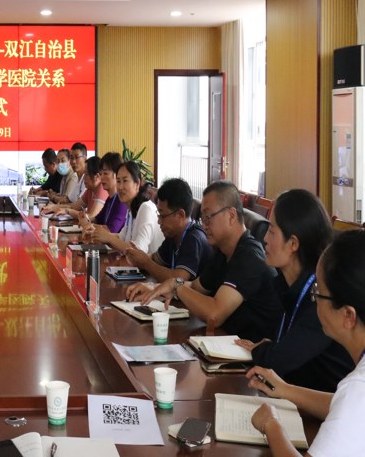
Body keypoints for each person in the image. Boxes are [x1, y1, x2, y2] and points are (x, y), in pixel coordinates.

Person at [247, 230, 365, 457]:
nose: (315, 300)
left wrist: (271, 425)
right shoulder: (354, 395)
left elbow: (352, 402)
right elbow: (342, 405)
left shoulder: (358, 388)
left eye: (318, 292)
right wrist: (286, 390)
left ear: (348, 316)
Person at [132, 180, 281, 342]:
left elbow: (214, 314)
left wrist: (176, 286)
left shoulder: (249, 256)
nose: (204, 225)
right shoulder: (223, 251)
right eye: (202, 218)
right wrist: (156, 288)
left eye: (208, 217)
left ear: (231, 216)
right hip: (225, 341)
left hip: (252, 351)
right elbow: (196, 287)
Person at [234, 189, 352, 391]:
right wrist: (270, 348)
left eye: (272, 232)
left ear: (293, 243)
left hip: (324, 404)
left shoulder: (320, 295)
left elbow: (277, 361)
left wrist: (265, 349)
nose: (265, 239)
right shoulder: (285, 284)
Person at [124, 177, 213, 283]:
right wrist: (137, 256)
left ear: (180, 215)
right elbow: (154, 259)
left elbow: (178, 280)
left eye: (162, 216)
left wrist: (146, 263)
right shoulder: (173, 235)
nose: (159, 221)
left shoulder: (194, 238)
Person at [85, 161, 164, 254]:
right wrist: (97, 234)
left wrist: (109, 238)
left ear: (137, 184)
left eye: (125, 181)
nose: (120, 187)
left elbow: (139, 250)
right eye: (118, 181)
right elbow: (121, 237)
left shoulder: (146, 208)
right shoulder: (130, 209)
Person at [42, 155, 108, 220]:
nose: (84, 178)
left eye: (86, 174)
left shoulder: (102, 188)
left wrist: (68, 211)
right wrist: (54, 207)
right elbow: (75, 206)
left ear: (96, 176)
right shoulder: (90, 189)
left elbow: (91, 217)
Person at [89, 151, 128, 233]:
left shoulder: (121, 200)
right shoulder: (110, 198)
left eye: (105, 173)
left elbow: (112, 229)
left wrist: (89, 226)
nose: (102, 177)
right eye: (101, 174)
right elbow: (97, 219)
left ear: (117, 175)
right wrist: (85, 219)